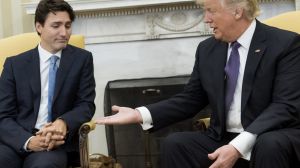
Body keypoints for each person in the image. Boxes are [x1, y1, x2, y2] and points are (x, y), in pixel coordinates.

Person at [95, 0, 300, 168]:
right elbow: (190, 99)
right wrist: (140, 114)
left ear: (237, 11)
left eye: (211, 11)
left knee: (269, 144)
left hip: (270, 134)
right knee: (175, 144)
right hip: (223, 136)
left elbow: (285, 106)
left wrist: (238, 146)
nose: (206, 19)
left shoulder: (286, 44)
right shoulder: (208, 49)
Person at [0, 0, 96, 167]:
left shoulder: (82, 60)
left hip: (56, 144)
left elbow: (86, 105)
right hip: (17, 140)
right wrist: (28, 141)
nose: (64, 33)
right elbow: (3, 115)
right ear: (39, 27)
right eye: (56, 25)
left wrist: (63, 122)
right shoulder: (15, 64)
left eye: (67, 26)